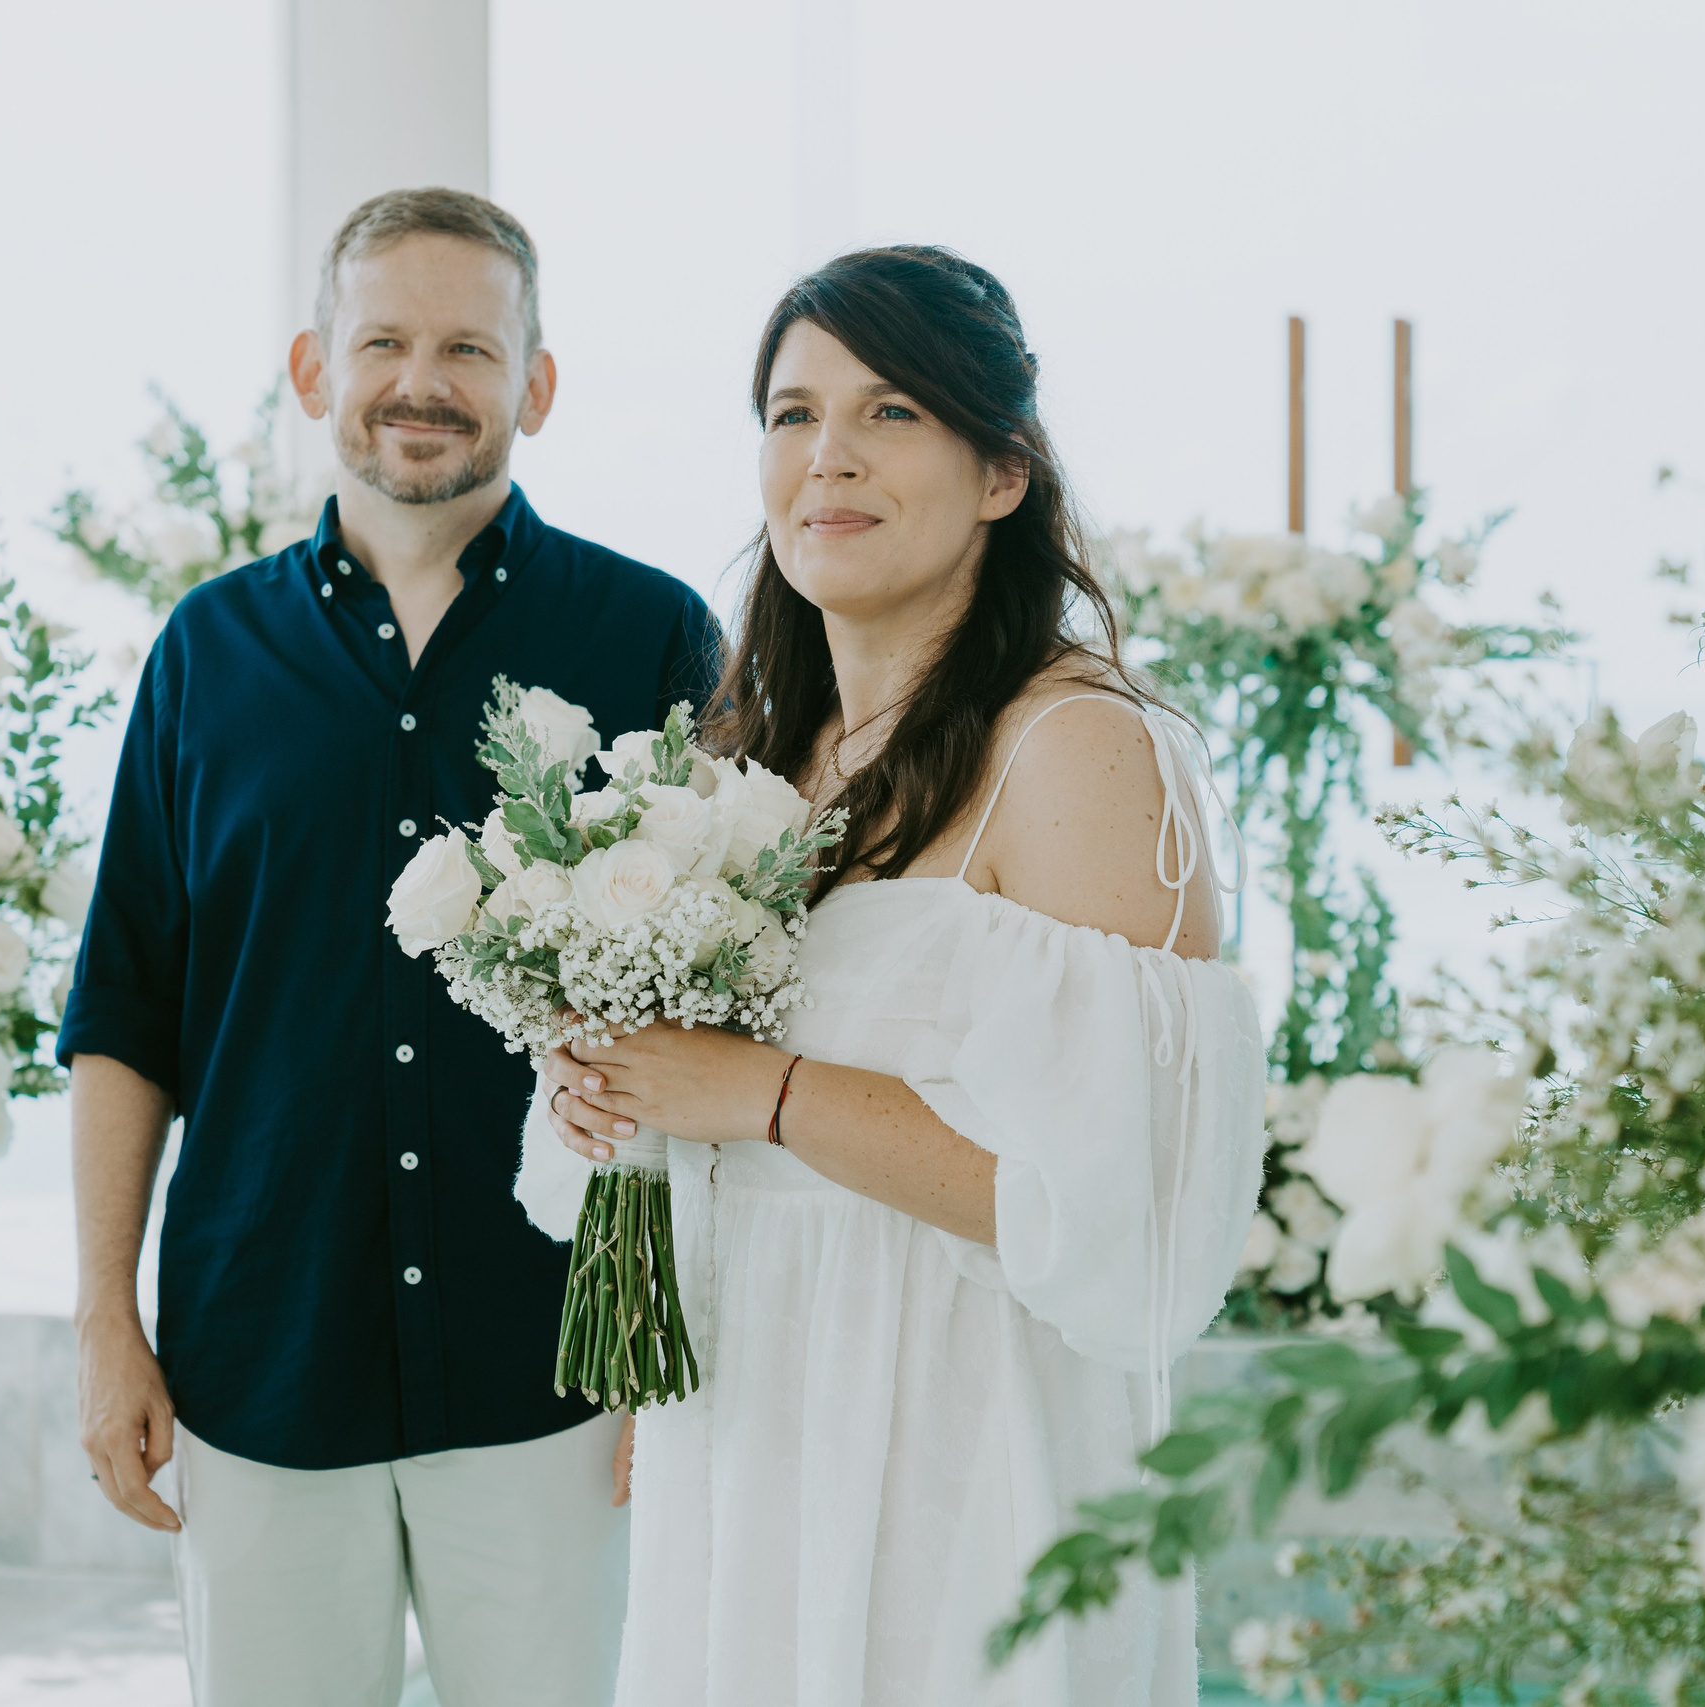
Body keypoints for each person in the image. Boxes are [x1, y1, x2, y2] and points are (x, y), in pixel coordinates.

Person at [528, 246, 1268, 1705]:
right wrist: (617, 1092)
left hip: (967, 1456)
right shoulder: (749, 765)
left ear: (1002, 472)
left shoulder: (1079, 750)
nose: (828, 460)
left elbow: (1140, 1214)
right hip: (750, 1445)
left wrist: (768, 1094)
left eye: (890, 414)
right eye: (793, 415)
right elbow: (710, 1130)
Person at [62, 187, 722, 1707]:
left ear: (534, 386)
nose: (421, 381)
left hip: (558, 1366)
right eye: (384, 341)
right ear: (314, 369)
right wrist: (108, 1319)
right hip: (259, 1354)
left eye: (469, 348)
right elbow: (127, 1015)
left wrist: (674, 1335)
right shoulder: (204, 658)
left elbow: (725, 1011)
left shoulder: (654, 638)